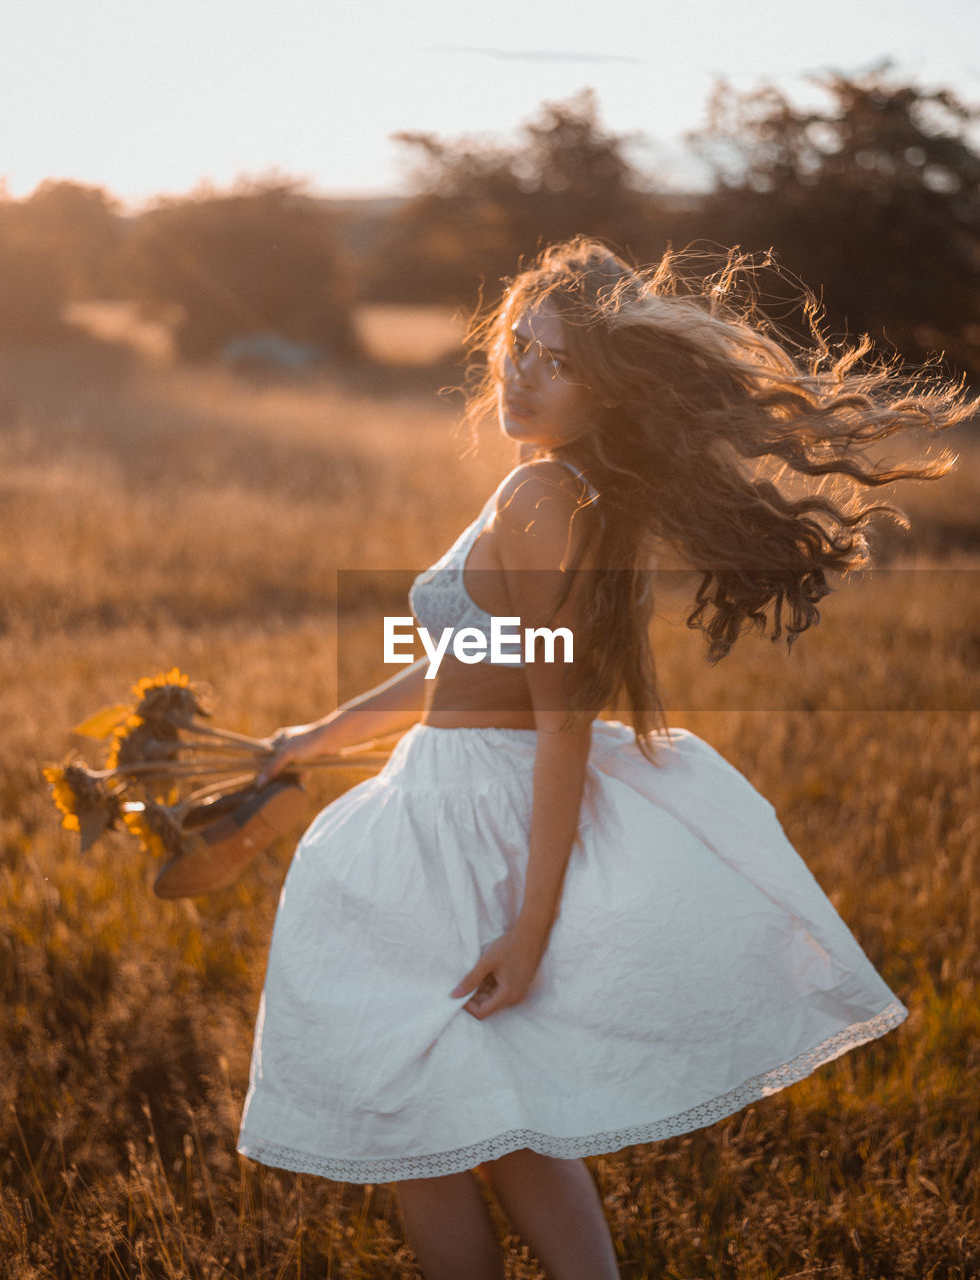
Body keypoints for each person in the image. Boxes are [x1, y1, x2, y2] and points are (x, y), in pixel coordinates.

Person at [237, 238, 972, 1279]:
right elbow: (464, 657)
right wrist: (314, 736)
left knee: (418, 1124)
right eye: (517, 346)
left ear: (609, 391)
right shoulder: (548, 489)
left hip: (468, 815)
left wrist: (526, 930)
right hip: (445, 791)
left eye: (555, 361)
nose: (520, 373)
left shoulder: (547, 498)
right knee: (496, 1118)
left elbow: (559, 721)